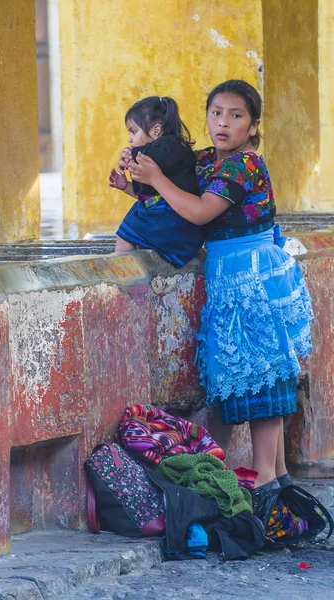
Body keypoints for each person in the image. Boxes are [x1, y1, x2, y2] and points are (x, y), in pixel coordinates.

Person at [123, 80, 314, 492]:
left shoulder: (242, 165)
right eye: (215, 113)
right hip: (229, 274)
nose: (223, 123)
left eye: (235, 115)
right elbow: (176, 192)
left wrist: (155, 179)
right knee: (250, 372)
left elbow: (197, 211)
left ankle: (266, 478)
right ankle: (275, 478)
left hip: (253, 275)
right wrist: (134, 182)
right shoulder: (207, 160)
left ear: (253, 125)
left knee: (263, 374)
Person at [109, 96, 204, 268]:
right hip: (167, 220)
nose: (130, 139)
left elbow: (152, 158)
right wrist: (125, 186)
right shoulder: (160, 152)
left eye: (134, 131)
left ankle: (119, 271)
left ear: (156, 131)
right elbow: (149, 195)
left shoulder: (170, 146)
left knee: (129, 229)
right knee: (135, 217)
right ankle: (125, 266)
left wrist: (132, 155)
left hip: (175, 224)